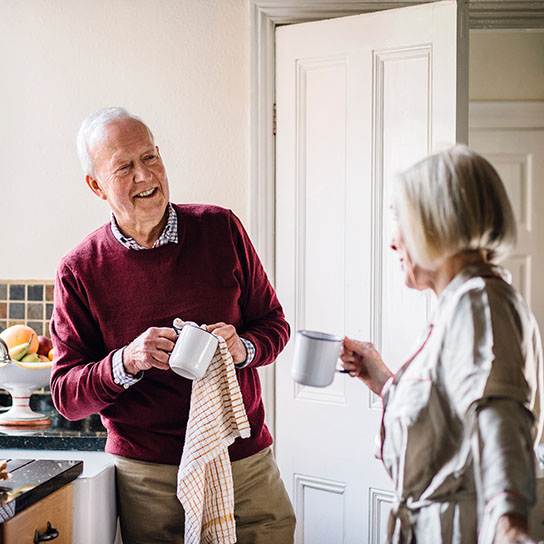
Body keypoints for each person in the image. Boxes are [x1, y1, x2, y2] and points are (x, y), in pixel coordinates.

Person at [50, 107, 296, 544]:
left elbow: (274, 325)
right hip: (149, 477)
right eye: (124, 167)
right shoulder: (79, 270)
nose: (145, 176)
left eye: (150, 157)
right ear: (96, 186)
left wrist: (242, 348)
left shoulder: (220, 229)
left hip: (243, 462)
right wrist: (126, 361)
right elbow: (67, 396)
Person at [340, 145, 543, 544]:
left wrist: (509, 525)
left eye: (401, 220)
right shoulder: (462, 303)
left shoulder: (478, 303)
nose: (394, 243)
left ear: (438, 224)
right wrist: (383, 380)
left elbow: (498, 416)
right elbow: (452, 417)